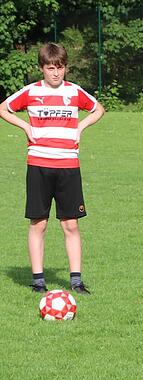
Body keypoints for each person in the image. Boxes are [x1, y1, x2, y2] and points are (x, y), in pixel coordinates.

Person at [0, 42, 105, 294]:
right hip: (38, 164)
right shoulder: (30, 92)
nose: (55, 73)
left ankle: (76, 281)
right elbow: (3, 108)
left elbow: (98, 109)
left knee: (70, 225)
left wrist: (80, 127)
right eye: (50, 68)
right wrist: (26, 127)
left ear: (65, 68)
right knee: (39, 223)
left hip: (68, 165)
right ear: (42, 68)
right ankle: (38, 281)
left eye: (60, 68)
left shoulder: (74, 92)